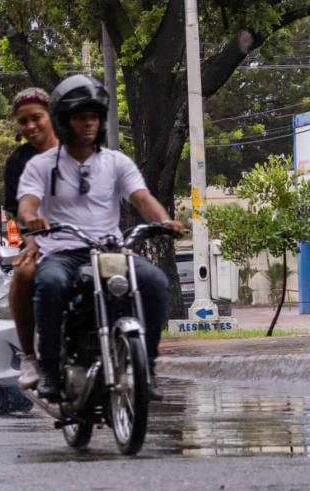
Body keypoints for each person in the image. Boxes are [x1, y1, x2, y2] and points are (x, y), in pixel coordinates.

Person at [15, 74, 184, 402]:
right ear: (65, 121)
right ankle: (48, 368)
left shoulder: (116, 162)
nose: (89, 123)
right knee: (48, 285)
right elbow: (27, 203)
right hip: (62, 253)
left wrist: (165, 221)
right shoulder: (41, 165)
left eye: (94, 116)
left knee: (155, 282)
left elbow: (141, 198)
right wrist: (31, 217)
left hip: (109, 251)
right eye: (81, 117)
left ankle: (146, 367)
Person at [2, 87, 59, 390]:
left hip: (88, 239)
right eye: (23, 122)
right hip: (43, 242)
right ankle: (30, 356)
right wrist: (32, 241)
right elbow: (18, 211)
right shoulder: (17, 163)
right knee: (24, 273)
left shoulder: (79, 150)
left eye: (37, 118)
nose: (31, 127)